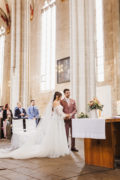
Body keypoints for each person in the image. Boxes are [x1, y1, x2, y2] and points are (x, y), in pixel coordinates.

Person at [0, 92, 70, 159]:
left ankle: (57, 148)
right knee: (55, 135)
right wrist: (65, 115)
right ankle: (54, 149)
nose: (61, 98)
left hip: (58, 120)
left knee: (57, 134)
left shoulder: (57, 102)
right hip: (56, 120)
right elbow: (58, 112)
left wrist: (64, 115)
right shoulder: (55, 102)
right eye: (60, 96)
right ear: (57, 96)